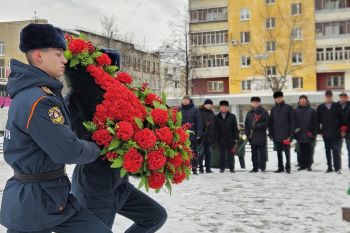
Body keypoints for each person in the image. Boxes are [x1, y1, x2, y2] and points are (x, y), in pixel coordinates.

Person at [0, 23, 112, 233]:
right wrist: (100, 148)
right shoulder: (39, 99)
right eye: (58, 54)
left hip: (49, 195)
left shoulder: (35, 93)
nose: (64, 60)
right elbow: (67, 149)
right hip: (36, 203)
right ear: (39, 56)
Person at [66, 49, 167, 232]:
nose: (111, 76)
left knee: (155, 216)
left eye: (114, 71)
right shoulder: (78, 99)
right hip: (94, 188)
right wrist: (113, 139)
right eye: (107, 71)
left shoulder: (124, 100)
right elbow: (77, 138)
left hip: (120, 186)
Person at [268, 91, 296, 174]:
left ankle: (288, 167)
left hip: (286, 134)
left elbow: (292, 122)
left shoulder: (288, 108)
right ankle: (280, 167)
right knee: (278, 152)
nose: (278, 99)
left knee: (287, 152)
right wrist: (270, 133)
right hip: (276, 134)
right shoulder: (273, 109)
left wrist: (291, 134)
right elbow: (271, 122)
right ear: (275, 99)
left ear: (282, 97)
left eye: (279, 97)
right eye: (276, 98)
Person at [317, 90, 343, 174]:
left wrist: (342, 129)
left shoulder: (337, 106)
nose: (328, 97)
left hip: (336, 132)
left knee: (336, 150)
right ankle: (329, 167)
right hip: (326, 132)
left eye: (330, 96)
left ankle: (337, 167)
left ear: (332, 96)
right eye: (327, 96)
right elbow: (317, 120)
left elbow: (342, 118)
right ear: (325, 97)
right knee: (327, 150)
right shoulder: (320, 107)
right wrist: (319, 131)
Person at [179, 95, 203, 175]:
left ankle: (195, 168)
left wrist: (199, 134)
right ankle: (183, 169)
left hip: (193, 135)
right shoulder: (179, 110)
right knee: (182, 153)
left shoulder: (195, 110)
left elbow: (199, 122)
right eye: (184, 99)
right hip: (182, 136)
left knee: (194, 153)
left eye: (187, 100)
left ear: (190, 101)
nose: (185, 101)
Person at [244, 97, 269, 173]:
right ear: (251, 103)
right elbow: (246, 125)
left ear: (259, 103)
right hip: (252, 136)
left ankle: (262, 167)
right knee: (253, 153)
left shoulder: (264, 112)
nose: (255, 103)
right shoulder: (249, 113)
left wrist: (258, 126)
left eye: (256, 102)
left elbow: (267, 122)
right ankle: (255, 167)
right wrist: (248, 135)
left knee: (262, 153)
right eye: (253, 102)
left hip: (261, 135)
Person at [294, 95, 317, 171]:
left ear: (307, 101)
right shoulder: (295, 110)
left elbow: (315, 123)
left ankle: (308, 165)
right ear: (299, 101)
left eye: (304, 99)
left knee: (309, 151)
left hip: (309, 134)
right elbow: (293, 122)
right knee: (300, 151)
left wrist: (313, 133)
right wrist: (295, 131)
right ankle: (302, 165)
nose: (302, 101)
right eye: (301, 99)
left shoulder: (312, 111)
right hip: (299, 134)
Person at [215, 100, 239, 173]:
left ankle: (232, 168)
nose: (224, 108)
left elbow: (235, 128)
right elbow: (215, 129)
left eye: (225, 106)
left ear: (228, 107)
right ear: (220, 107)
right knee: (221, 155)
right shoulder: (216, 117)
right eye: (222, 106)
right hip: (220, 139)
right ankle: (222, 168)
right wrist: (216, 138)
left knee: (230, 155)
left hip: (230, 139)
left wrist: (236, 138)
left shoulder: (232, 116)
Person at [198, 99, 215, 173]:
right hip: (202, 137)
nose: (210, 105)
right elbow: (198, 123)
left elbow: (214, 125)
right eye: (208, 104)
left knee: (209, 153)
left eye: (211, 104)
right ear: (205, 104)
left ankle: (208, 168)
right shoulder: (200, 112)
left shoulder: (212, 113)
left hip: (210, 136)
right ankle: (201, 168)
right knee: (201, 153)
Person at [339, 92, 350, 170]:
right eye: (342, 97)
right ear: (340, 98)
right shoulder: (336, 106)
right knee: (337, 149)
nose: (343, 98)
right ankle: (338, 165)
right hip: (338, 131)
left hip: (349, 131)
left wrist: (346, 127)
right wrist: (340, 128)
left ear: (347, 98)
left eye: (345, 97)